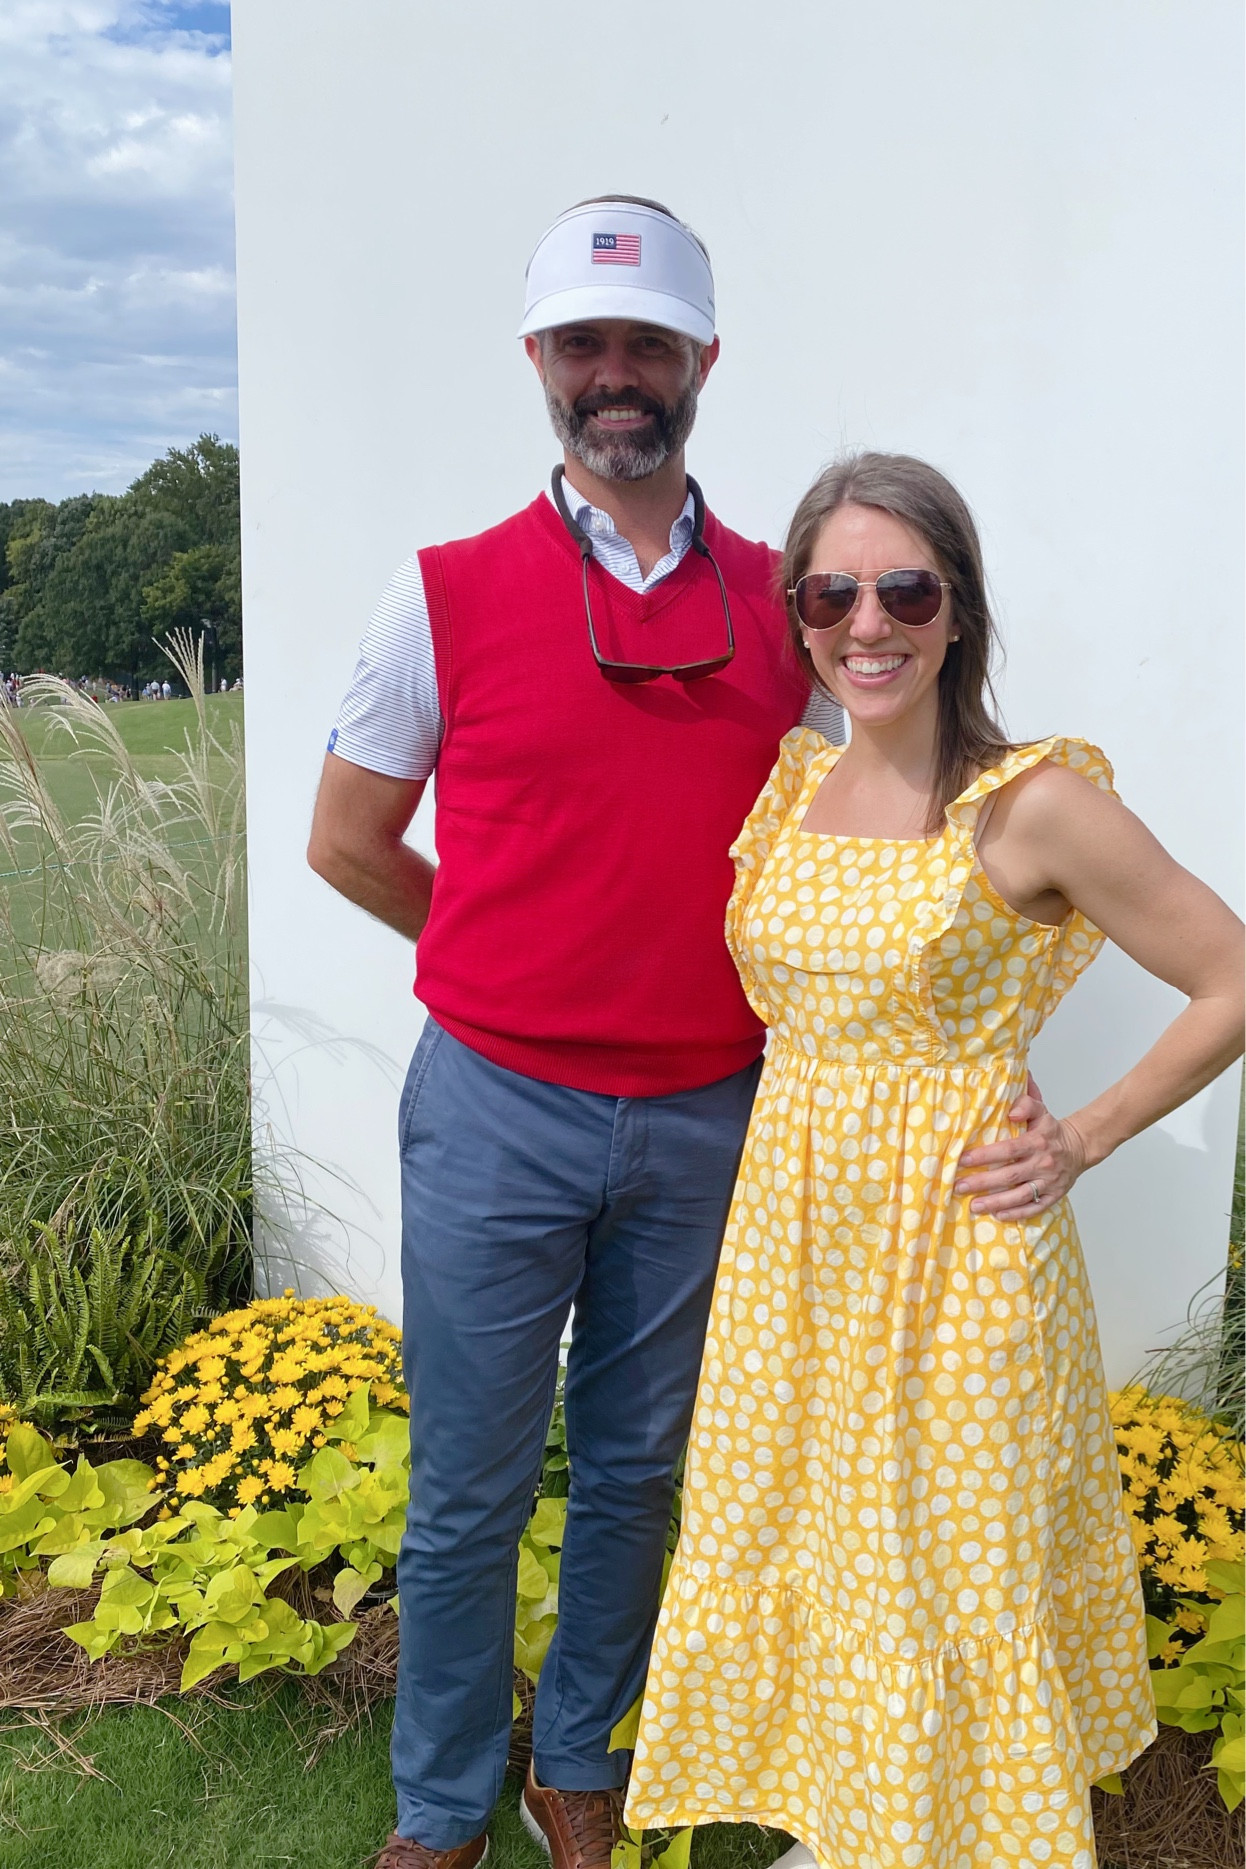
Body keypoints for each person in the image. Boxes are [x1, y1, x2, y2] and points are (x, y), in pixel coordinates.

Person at [308, 195, 871, 1869]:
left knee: (636, 1468)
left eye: (644, 344)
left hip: (708, 1111)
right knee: (470, 1478)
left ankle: (580, 1750)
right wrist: (497, 955)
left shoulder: (793, 603)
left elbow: (882, 805)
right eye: (581, 345)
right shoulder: (446, 593)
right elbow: (347, 838)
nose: (612, 376)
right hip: (495, 1102)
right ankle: (435, 1801)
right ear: (539, 364)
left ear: (701, 360)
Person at [624, 451, 1245, 1869]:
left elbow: (1227, 974)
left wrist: (1079, 1137)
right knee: (819, 1535)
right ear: (796, 610)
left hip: (959, 1247)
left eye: (903, 587)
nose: (866, 622)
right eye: (830, 590)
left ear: (955, 609)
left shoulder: (1022, 805)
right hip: (797, 1234)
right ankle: (862, 1826)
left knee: (948, 1557)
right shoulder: (790, 785)